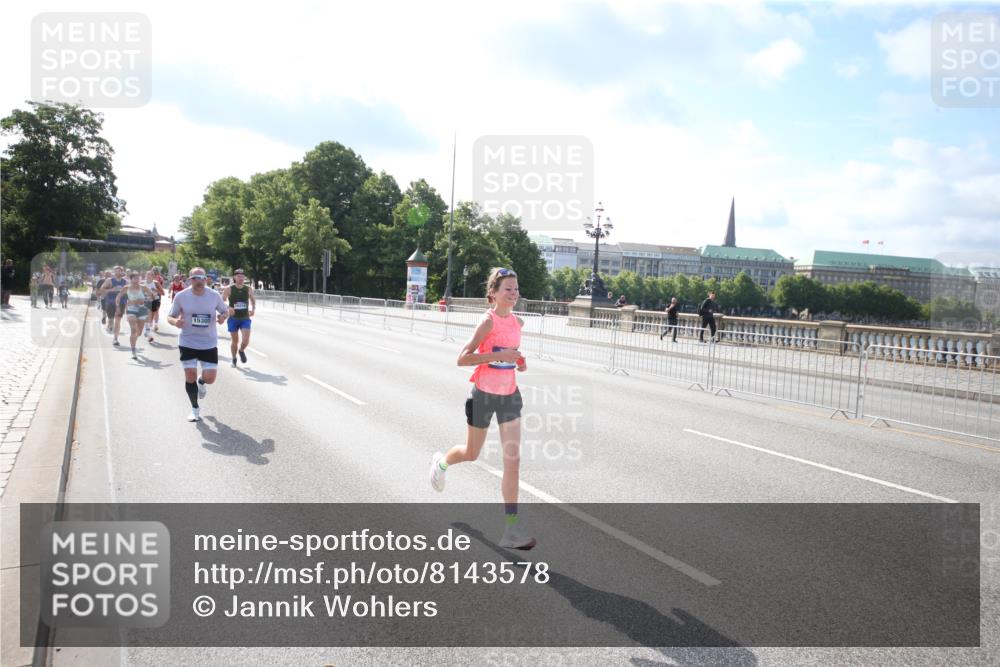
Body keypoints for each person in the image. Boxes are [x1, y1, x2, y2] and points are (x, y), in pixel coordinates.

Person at [429, 267, 535, 550]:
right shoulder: (487, 322)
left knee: (512, 461)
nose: (513, 293)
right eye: (507, 289)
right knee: (471, 453)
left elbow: (510, 359)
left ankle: (511, 530)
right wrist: (496, 356)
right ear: (493, 294)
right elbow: (462, 359)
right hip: (483, 396)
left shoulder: (518, 323)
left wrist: (519, 362)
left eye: (515, 288)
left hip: (510, 396)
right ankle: (441, 463)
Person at [167, 267, 229, 422]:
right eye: (195, 278)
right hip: (187, 341)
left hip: (208, 342)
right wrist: (176, 322)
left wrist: (223, 317)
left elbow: (224, 311)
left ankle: (202, 382)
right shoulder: (181, 296)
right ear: (190, 279)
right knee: (190, 376)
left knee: (210, 378)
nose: (199, 280)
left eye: (201, 277)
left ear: (205, 279)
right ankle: (195, 409)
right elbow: (170, 316)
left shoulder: (214, 295)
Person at [117, 271, 155, 359]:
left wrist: (145, 300)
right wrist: (118, 307)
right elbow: (118, 297)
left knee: (139, 333)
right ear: (131, 279)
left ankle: (133, 339)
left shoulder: (143, 287)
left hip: (142, 311)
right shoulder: (126, 288)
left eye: (138, 278)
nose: (137, 280)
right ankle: (133, 351)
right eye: (135, 278)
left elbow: (152, 296)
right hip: (131, 310)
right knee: (133, 330)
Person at [222, 269, 255, 367]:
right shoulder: (229, 289)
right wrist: (228, 307)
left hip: (245, 317)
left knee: (245, 340)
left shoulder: (248, 289)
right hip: (233, 319)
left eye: (242, 276)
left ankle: (241, 351)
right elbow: (221, 301)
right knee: (235, 341)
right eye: (239, 276)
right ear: (235, 277)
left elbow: (252, 299)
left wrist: (253, 309)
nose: (241, 278)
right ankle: (234, 358)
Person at [99, 267, 128, 345]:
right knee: (111, 320)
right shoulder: (109, 281)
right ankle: (110, 325)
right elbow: (102, 290)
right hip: (111, 302)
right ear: (114, 272)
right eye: (116, 271)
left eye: (120, 271)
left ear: (122, 272)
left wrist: (124, 293)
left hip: (121, 303)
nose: (118, 273)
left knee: (118, 321)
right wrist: (112, 290)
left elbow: (129, 292)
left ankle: (115, 338)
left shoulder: (125, 282)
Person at [143, 268, 164, 341]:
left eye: (150, 275)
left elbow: (163, 293)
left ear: (153, 276)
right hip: (146, 301)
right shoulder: (143, 283)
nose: (148, 276)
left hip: (155, 300)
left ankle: (150, 328)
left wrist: (156, 290)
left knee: (152, 315)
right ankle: (148, 333)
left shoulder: (156, 283)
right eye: (147, 275)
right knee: (147, 315)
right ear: (145, 276)